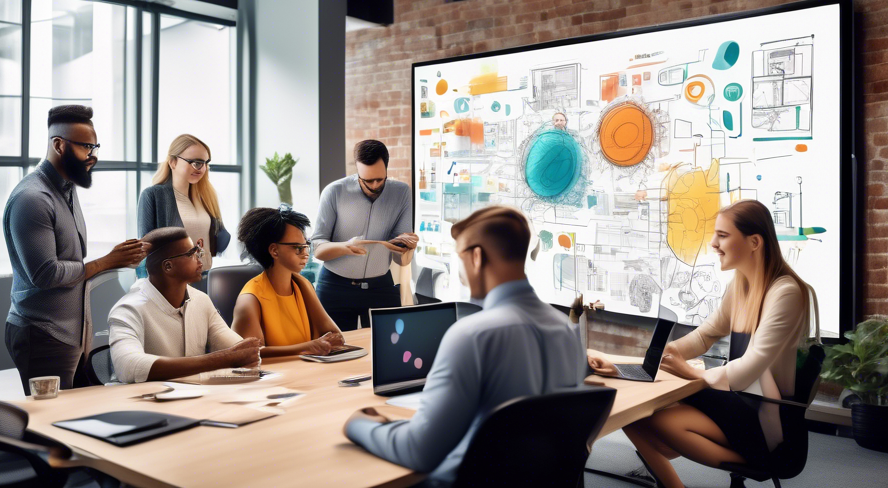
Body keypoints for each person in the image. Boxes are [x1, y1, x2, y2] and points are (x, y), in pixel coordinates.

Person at [343, 206, 586, 484]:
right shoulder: (565, 331)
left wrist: (359, 425)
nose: (460, 273)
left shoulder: (472, 336)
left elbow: (419, 451)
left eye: (459, 258)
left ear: (476, 257)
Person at [588, 200, 817, 488]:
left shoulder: (785, 292)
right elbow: (705, 335)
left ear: (754, 242)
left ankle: (754, 462)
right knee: (638, 414)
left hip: (768, 421)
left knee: (655, 418)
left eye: (722, 235)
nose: (713, 243)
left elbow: (751, 367)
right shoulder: (741, 284)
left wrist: (693, 374)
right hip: (741, 403)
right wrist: (655, 357)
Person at [4, 105, 148, 395]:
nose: (92, 155)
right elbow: (46, 274)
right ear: (58, 144)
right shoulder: (33, 198)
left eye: (95, 146)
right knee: (50, 426)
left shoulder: (67, 190)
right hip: (42, 332)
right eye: (85, 147)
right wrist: (108, 261)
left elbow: (70, 260)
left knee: (75, 418)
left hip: (69, 334)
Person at [108, 227, 262, 384]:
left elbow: (237, 350)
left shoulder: (201, 300)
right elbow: (128, 367)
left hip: (190, 399)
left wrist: (242, 354)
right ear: (168, 266)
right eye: (192, 253)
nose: (200, 258)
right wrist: (221, 360)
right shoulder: (127, 310)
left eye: (198, 251)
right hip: (139, 402)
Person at [312, 140, 419, 331]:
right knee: (334, 352)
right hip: (335, 287)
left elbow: (400, 260)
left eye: (380, 179)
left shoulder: (402, 193)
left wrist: (406, 247)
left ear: (386, 168)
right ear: (357, 172)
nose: (375, 186)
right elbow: (317, 249)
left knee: (390, 349)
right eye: (367, 181)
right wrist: (345, 247)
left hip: (381, 286)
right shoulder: (334, 191)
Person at [232, 207, 345, 357]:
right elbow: (249, 353)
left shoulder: (302, 284)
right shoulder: (250, 299)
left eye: (306, 246)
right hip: (271, 377)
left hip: (307, 371)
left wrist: (315, 345)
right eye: (298, 248)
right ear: (274, 251)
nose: (305, 254)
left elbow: (336, 337)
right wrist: (308, 347)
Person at [138, 134, 230, 278]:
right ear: (173, 162)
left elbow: (218, 240)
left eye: (205, 163)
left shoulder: (206, 197)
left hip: (205, 276)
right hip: (172, 281)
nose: (201, 168)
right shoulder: (153, 195)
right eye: (195, 162)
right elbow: (145, 249)